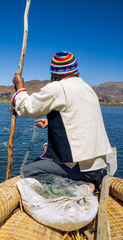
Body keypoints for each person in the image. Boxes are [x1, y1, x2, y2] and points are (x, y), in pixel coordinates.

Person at [12, 51, 112, 187]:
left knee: (29, 171)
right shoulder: (87, 88)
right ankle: (88, 179)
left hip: (82, 168)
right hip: (98, 165)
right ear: (76, 70)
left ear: (54, 73)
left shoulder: (58, 88)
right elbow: (79, 116)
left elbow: (27, 107)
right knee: (39, 162)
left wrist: (20, 87)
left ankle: (79, 185)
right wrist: (51, 122)